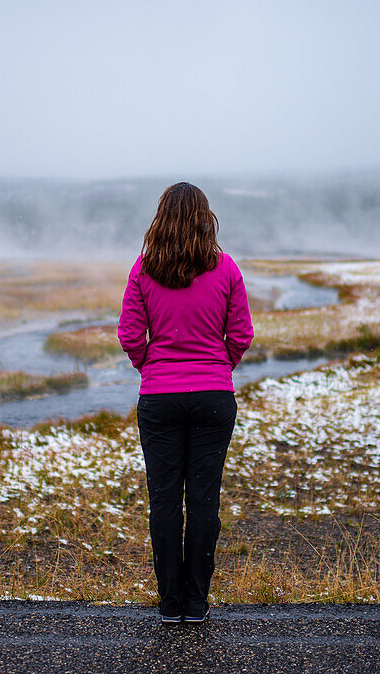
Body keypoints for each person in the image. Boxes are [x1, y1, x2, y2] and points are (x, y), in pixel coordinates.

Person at [118, 182, 254, 624]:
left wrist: (151, 369)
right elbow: (241, 335)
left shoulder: (143, 269)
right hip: (214, 397)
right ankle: (196, 603)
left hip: (159, 399)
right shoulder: (227, 267)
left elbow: (129, 336)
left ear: (162, 217)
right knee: (202, 502)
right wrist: (219, 370)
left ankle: (169, 604)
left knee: (163, 502)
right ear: (204, 218)